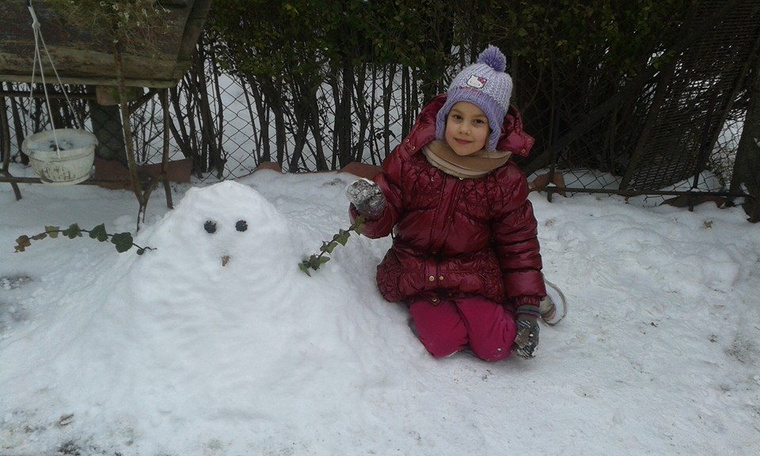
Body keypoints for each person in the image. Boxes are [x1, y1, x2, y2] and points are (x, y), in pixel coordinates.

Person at [347, 45, 563, 361]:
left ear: (493, 130)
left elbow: (518, 245)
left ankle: (537, 293)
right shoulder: (413, 160)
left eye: (478, 122)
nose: (464, 128)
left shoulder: (504, 179)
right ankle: (449, 315)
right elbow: (388, 204)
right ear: (445, 117)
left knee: (497, 347)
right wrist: (374, 209)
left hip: (472, 271)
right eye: (457, 117)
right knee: (442, 342)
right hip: (417, 270)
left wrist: (527, 307)